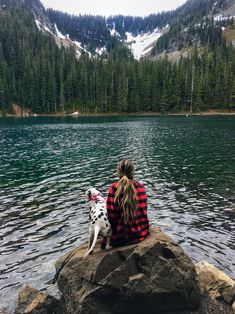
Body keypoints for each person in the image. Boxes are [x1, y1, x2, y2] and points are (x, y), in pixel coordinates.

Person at [105, 159, 150, 247]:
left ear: (118, 172)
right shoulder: (141, 187)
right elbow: (144, 210)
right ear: (133, 172)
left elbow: (111, 216)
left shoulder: (114, 188)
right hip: (142, 232)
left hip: (121, 237)